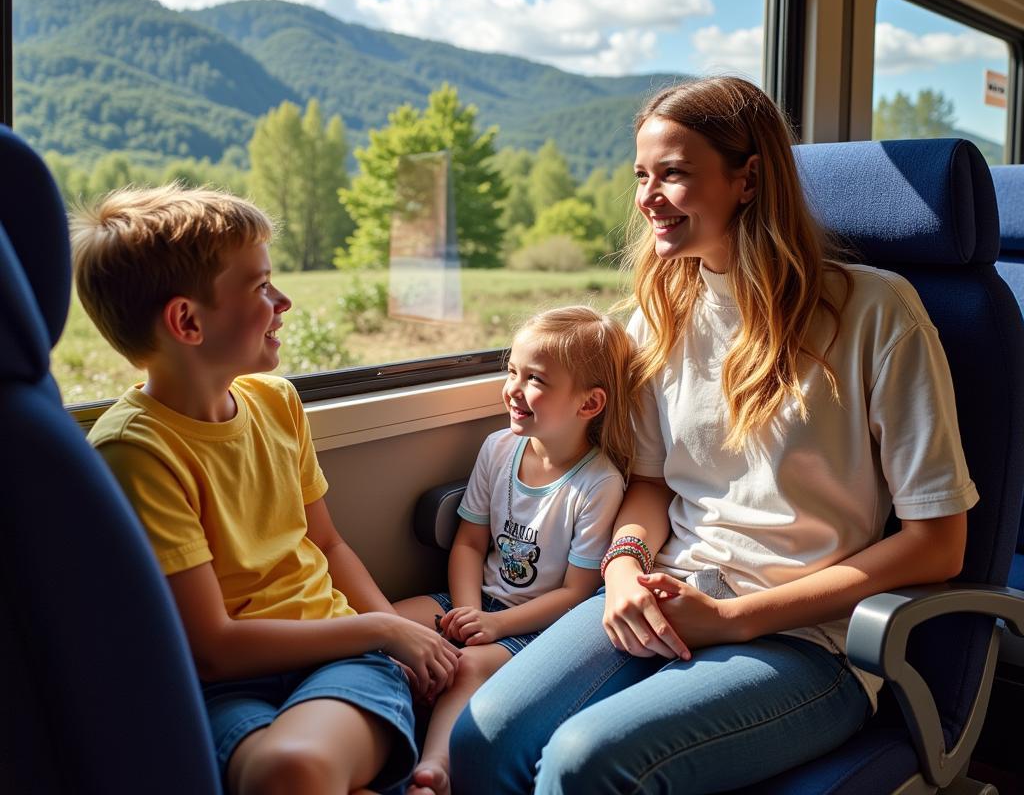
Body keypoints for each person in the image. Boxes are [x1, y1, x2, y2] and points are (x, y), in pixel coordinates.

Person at [449, 77, 979, 794]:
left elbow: (938, 544)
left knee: (584, 761)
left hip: (808, 639)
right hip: (666, 589)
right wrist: (625, 569)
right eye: (641, 175)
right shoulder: (656, 317)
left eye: (672, 173)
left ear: (748, 178)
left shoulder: (877, 313)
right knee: (483, 735)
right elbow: (650, 484)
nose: (646, 197)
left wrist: (731, 620)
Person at [72, 185, 460, 795]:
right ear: (187, 321)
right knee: (288, 772)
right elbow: (214, 648)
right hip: (226, 685)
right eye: (260, 286)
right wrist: (382, 629)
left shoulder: (275, 402)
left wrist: (395, 635)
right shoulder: (137, 451)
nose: (283, 302)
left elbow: (327, 546)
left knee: (295, 769)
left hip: (340, 661)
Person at [394, 307, 634, 795]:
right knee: (394, 622)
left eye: (535, 379)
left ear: (589, 404)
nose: (513, 389)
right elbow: (469, 542)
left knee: (469, 665)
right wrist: (465, 610)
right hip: (473, 600)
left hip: (531, 625)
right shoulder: (498, 448)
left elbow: (576, 593)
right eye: (512, 372)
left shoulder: (598, 483)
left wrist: (495, 626)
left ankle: (436, 766)